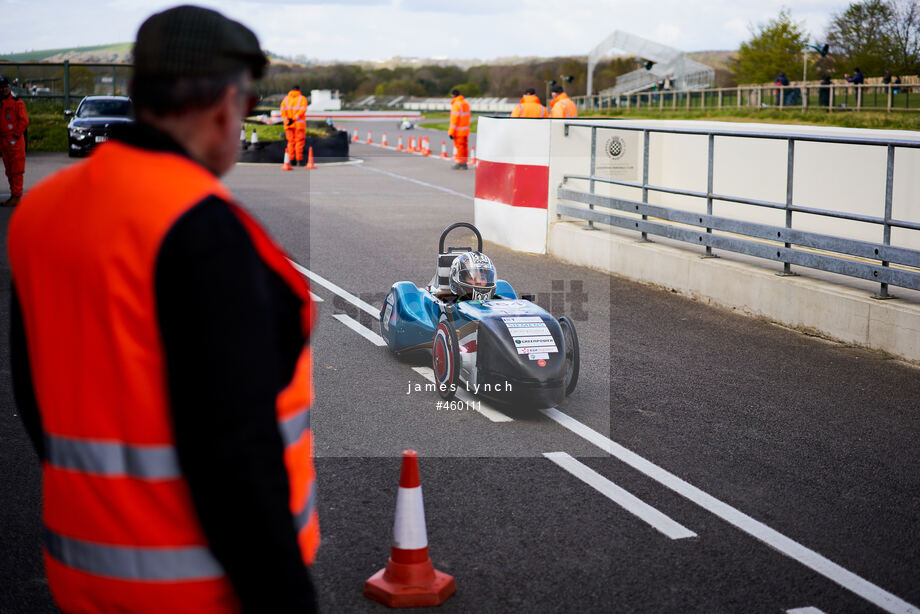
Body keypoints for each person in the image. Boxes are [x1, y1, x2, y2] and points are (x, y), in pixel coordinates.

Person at [8, 6, 319, 613]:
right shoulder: (203, 231)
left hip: (83, 573)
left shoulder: (41, 214)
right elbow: (235, 452)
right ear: (226, 105)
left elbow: (33, 393)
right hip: (200, 590)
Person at [0, 76, 29, 207]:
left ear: (10, 88)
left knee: (17, 170)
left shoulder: (17, 103)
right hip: (3, 141)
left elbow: (24, 121)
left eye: (5, 87)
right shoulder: (1, 103)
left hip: (15, 142)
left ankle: (17, 196)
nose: (3, 90)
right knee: (9, 170)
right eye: (1, 87)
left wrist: (15, 136)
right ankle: (13, 195)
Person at [280, 84, 309, 166]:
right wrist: (294, 118)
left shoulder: (286, 99)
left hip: (288, 125)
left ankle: (292, 160)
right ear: (299, 90)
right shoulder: (302, 99)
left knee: (290, 142)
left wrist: (288, 121)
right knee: (299, 142)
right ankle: (299, 160)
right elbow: (303, 110)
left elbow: (282, 111)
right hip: (299, 125)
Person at [448, 89, 470, 169]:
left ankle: (460, 163)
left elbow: (454, 119)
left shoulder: (456, 104)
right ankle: (464, 162)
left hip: (459, 131)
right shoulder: (465, 103)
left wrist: (451, 132)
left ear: (453, 95)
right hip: (465, 130)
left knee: (459, 147)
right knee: (464, 147)